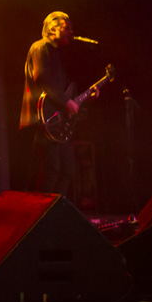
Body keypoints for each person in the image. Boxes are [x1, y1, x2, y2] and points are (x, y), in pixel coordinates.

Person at [20, 11, 96, 199]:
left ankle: (54, 208)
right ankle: (42, 211)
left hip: (56, 123)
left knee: (67, 170)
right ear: (53, 29)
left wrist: (84, 97)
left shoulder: (55, 53)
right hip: (44, 120)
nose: (71, 32)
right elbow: (42, 78)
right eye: (66, 28)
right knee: (51, 169)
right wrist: (66, 101)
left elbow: (62, 89)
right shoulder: (40, 47)